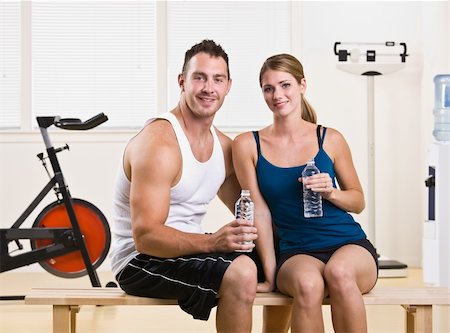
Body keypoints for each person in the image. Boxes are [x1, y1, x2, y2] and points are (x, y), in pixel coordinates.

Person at [109, 39, 261, 332]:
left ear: (228, 86)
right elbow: (146, 237)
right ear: (182, 81)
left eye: (218, 79)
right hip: (140, 261)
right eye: (199, 77)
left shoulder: (224, 148)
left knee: (283, 260)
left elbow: (253, 213)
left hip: (191, 250)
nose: (209, 88)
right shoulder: (160, 144)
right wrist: (212, 242)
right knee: (241, 273)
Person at [232, 53, 379, 333]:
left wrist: (331, 193)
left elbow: (358, 201)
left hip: (348, 244)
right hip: (296, 251)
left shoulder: (330, 138)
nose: (277, 94)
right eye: (268, 88)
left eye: (285, 85)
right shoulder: (248, 144)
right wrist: (270, 270)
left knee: (340, 273)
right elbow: (259, 211)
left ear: (302, 85)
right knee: (308, 285)